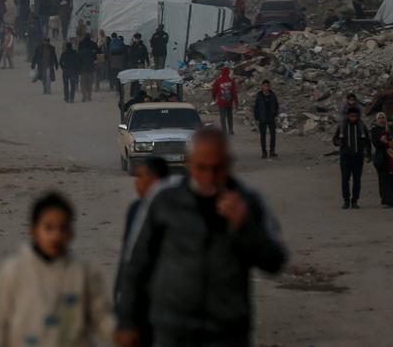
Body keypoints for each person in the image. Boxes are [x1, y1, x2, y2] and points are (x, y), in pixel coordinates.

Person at [114, 128, 287, 347]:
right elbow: (135, 263)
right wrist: (126, 320)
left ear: (229, 163)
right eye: (201, 167)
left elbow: (275, 261)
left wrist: (245, 226)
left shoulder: (249, 201)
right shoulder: (164, 198)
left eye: (218, 168)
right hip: (172, 330)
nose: (209, 177)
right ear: (189, 163)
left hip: (228, 332)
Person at [0, 192, 112, 347]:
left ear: (71, 233)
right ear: (33, 231)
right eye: (48, 228)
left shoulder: (84, 273)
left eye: (62, 228)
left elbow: (101, 317)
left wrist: (121, 333)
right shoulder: (13, 272)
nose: (56, 236)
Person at [115, 157, 172, 335]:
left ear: (154, 180)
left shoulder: (174, 212)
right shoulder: (136, 209)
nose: (136, 183)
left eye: (140, 177)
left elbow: (129, 259)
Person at [333, 105, 371, 209]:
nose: (353, 118)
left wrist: (368, 155)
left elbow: (367, 142)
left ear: (358, 116)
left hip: (358, 157)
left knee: (357, 180)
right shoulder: (342, 126)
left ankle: (355, 200)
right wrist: (338, 142)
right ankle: (346, 200)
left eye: (355, 116)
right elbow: (335, 140)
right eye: (351, 116)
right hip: (345, 157)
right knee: (345, 179)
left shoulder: (362, 126)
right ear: (348, 116)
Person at [370, 112, 393, 208]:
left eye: (383, 117)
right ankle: (388, 201)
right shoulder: (375, 130)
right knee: (383, 180)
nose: (381, 119)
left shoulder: (391, 129)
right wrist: (388, 144)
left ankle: (389, 198)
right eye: (379, 118)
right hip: (381, 158)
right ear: (376, 120)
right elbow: (376, 143)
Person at [253, 80, 280, 159]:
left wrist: (275, 114)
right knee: (263, 136)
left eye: (267, 86)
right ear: (262, 87)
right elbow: (256, 108)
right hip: (262, 119)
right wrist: (257, 118)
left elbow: (276, 105)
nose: (266, 87)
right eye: (264, 86)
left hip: (271, 118)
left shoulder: (272, 95)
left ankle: (272, 151)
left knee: (273, 135)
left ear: (269, 86)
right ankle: (264, 152)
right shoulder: (259, 96)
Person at [211, 66, 239, 135]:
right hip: (229, 102)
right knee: (230, 117)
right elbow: (234, 92)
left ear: (222, 72)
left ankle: (224, 131)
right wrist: (236, 102)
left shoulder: (218, 81)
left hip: (221, 102)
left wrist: (214, 97)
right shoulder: (231, 81)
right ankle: (230, 130)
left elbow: (214, 90)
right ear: (228, 72)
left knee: (222, 117)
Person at [77, 33, 98, 102]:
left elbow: (78, 58)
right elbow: (96, 56)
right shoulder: (93, 44)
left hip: (83, 68)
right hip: (91, 67)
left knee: (83, 83)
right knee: (90, 83)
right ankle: (89, 96)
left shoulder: (81, 44)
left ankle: (84, 96)